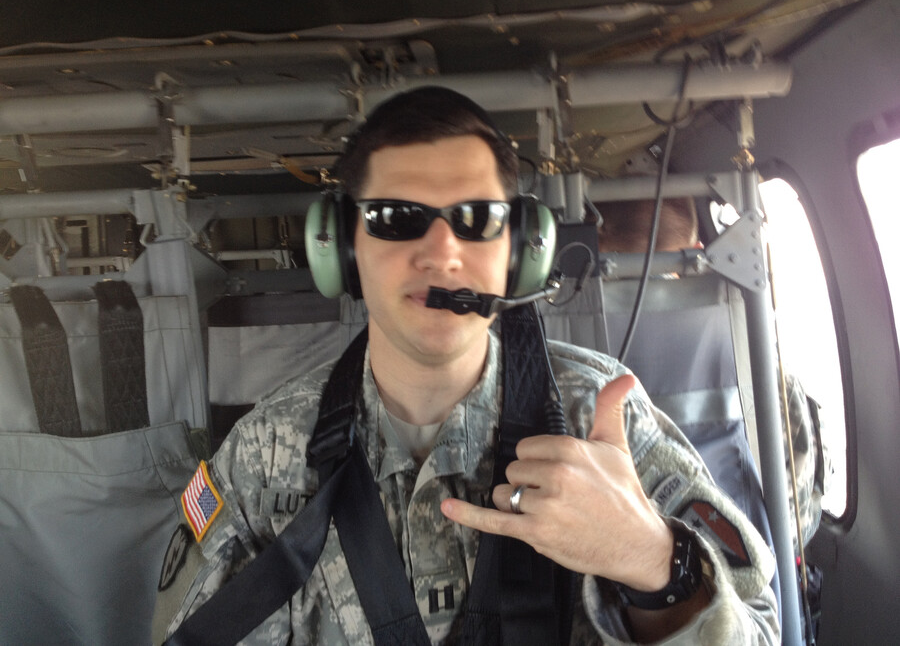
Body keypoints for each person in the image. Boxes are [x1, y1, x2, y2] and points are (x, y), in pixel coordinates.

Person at [152, 87, 779, 644]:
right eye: (397, 219)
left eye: (477, 219)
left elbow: (760, 632)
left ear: (520, 251)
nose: (443, 252)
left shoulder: (597, 423)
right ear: (342, 249)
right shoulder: (261, 455)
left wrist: (653, 565)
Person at [594, 195, 830, 553]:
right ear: (696, 250)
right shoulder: (746, 342)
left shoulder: (553, 331)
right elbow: (795, 520)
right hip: (733, 571)